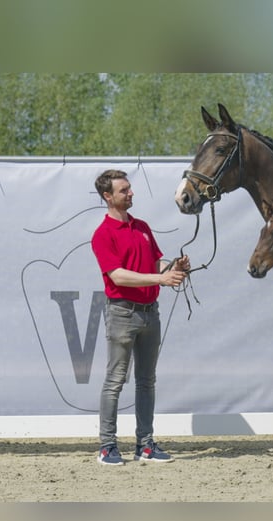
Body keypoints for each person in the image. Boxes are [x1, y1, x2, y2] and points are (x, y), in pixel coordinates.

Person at [91, 169, 190, 465]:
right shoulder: (103, 234)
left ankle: (145, 445)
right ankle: (107, 446)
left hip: (150, 313)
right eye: (124, 190)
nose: (130, 193)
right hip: (122, 312)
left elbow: (156, 263)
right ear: (108, 197)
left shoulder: (143, 227)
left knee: (146, 381)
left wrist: (175, 266)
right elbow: (118, 276)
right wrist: (160, 279)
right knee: (115, 381)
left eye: (130, 188)